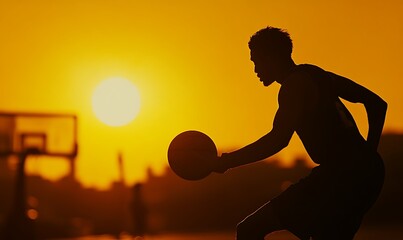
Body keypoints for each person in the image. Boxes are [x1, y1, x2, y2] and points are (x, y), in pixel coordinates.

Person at [213, 27, 387, 240]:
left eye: (256, 61)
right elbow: (377, 104)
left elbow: (277, 140)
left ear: (272, 56)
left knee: (248, 229)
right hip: (369, 173)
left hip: (340, 176)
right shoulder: (317, 74)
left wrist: (227, 161)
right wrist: (368, 155)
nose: (255, 69)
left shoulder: (292, 86)